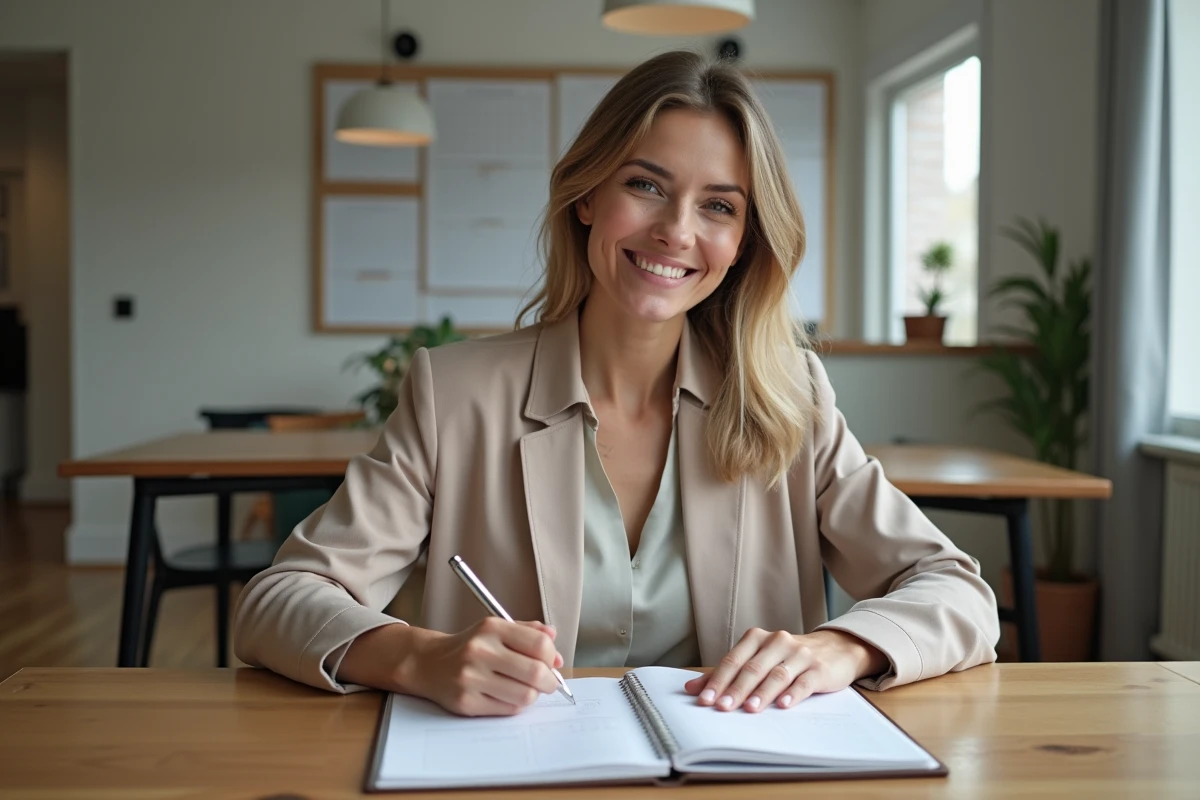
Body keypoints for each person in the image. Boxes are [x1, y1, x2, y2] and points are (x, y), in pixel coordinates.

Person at [234, 50, 998, 717]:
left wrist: (843, 647)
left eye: (719, 207)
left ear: (743, 243)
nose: (676, 231)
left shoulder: (788, 396)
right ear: (587, 195)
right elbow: (277, 602)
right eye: (646, 184)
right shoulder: (453, 393)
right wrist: (413, 657)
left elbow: (958, 593)